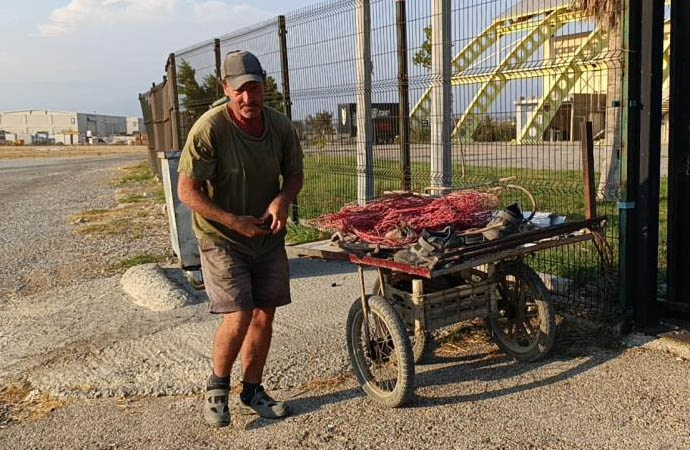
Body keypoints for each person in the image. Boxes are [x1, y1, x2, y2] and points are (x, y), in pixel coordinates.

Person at [177, 50, 304, 428]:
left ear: (265, 87)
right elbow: (187, 190)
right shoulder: (210, 128)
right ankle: (217, 388)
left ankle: (252, 390)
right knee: (239, 315)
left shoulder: (280, 127)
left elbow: (294, 175)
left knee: (265, 313)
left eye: (256, 88)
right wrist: (233, 221)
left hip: (266, 237)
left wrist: (282, 199)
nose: (249, 98)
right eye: (241, 90)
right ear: (226, 89)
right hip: (222, 238)